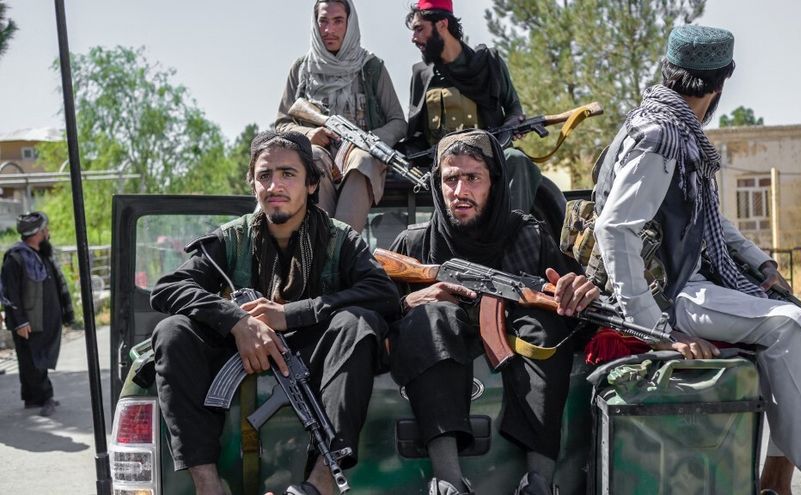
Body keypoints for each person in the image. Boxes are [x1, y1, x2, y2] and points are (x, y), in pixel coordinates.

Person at [592, 25, 801, 495]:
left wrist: (759, 263)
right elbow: (614, 228)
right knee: (791, 327)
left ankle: (776, 481)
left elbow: (707, 217)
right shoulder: (661, 136)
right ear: (719, 85)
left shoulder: (674, 130)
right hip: (669, 294)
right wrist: (654, 329)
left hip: (689, 281)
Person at [150, 130, 400, 495]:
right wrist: (237, 321)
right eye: (264, 175)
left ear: (311, 184)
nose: (274, 185)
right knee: (173, 331)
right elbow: (168, 288)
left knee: (356, 324)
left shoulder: (340, 239)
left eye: (288, 174)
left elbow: (383, 295)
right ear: (252, 183)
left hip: (317, 355)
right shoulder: (233, 238)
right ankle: (208, 484)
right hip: (240, 353)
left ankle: (321, 484)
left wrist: (291, 314)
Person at [388, 129, 598, 495]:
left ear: (495, 183)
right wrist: (409, 302)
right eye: (450, 179)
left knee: (544, 325)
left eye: (473, 178)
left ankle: (538, 480)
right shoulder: (415, 244)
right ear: (437, 184)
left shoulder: (528, 238)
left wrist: (578, 294)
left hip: (515, 350)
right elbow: (375, 314)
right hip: (436, 356)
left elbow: (577, 320)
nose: (460, 191)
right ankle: (449, 481)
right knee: (430, 318)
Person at [402, 0, 548, 214]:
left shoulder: (488, 62)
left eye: (419, 29)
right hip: (444, 165)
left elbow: (513, 109)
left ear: (442, 25)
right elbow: (417, 133)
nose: (414, 38)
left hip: (487, 158)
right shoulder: (421, 74)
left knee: (516, 160)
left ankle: (513, 227)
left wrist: (509, 129)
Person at [275, 0, 406, 234]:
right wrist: (309, 135)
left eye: (338, 21)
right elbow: (282, 124)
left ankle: (341, 246)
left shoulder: (370, 68)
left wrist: (368, 141)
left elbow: (398, 122)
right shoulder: (302, 69)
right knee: (314, 157)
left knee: (362, 161)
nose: (329, 30)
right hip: (319, 157)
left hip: (360, 156)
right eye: (323, 21)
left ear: (350, 23)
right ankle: (321, 245)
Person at [1, 212, 74, 417]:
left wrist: (66, 314)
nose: (47, 233)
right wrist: (20, 322)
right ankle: (45, 397)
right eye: (45, 230)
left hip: (45, 320)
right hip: (28, 322)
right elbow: (10, 294)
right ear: (36, 234)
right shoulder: (15, 258)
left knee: (33, 360)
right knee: (33, 361)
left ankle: (32, 399)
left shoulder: (42, 255)